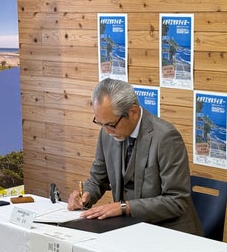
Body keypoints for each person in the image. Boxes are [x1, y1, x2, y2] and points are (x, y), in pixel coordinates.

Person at [67, 78, 202, 236]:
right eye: (100, 123)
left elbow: (177, 200)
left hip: (168, 231)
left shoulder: (166, 137)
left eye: (111, 124)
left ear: (133, 112)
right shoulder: (107, 133)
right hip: (128, 229)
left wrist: (125, 207)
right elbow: (97, 179)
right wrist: (85, 196)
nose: (107, 131)